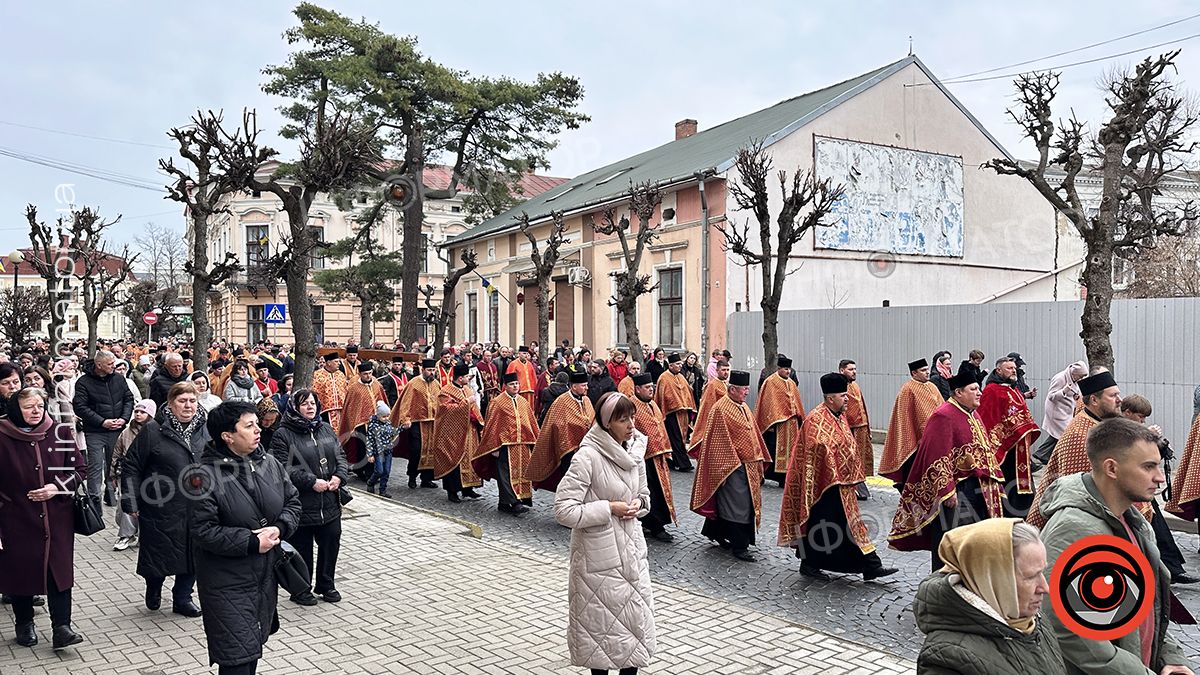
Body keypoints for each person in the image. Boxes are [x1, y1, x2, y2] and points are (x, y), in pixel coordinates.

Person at [1039, 418, 1193, 674]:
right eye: (1148, 467)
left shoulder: (1133, 522)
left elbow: (1146, 604)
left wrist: (1169, 656)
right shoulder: (1074, 528)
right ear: (1112, 468)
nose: (1159, 478)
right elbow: (1067, 627)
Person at [193, 401, 301, 675]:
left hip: (264, 578)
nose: (258, 431)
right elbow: (203, 531)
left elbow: (293, 502)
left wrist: (279, 528)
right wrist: (252, 542)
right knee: (236, 659)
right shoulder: (201, 476)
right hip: (226, 582)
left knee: (250, 651)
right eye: (249, 425)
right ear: (227, 436)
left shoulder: (270, 463)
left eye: (257, 423)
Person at [554, 392, 656, 675]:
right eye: (623, 419)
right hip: (598, 562)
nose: (631, 425)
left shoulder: (635, 452)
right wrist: (608, 508)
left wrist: (640, 505)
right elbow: (564, 510)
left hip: (633, 556)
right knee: (601, 643)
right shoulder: (588, 456)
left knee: (633, 641)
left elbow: (645, 495)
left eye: (632, 417)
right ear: (607, 422)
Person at [780, 373, 898, 580]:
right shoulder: (815, 419)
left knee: (853, 527)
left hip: (842, 485)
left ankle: (871, 565)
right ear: (830, 398)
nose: (847, 399)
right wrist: (832, 470)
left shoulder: (840, 417)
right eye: (843, 395)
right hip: (821, 487)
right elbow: (815, 449)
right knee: (822, 525)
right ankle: (810, 564)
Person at [913, 519, 1065, 674]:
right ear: (992, 579)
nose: (1045, 588)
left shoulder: (1035, 620)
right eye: (1030, 577)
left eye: (1041, 572)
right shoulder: (948, 662)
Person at [889, 373, 1005, 571]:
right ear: (958, 392)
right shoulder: (944, 415)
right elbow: (936, 456)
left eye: (979, 388)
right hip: (957, 491)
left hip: (977, 488)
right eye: (973, 389)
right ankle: (944, 583)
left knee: (973, 539)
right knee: (952, 539)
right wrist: (946, 491)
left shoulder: (972, 413)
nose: (979, 393)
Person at [0, 387, 86, 649]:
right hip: (16, 516)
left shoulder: (59, 431)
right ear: (17, 409)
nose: (36, 411)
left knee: (58, 571)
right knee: (21, 571)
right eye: (29, 407)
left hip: (57, 516)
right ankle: (24, 624)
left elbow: (80, 468)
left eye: (40, 405)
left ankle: (62, 627)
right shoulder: (2, 434)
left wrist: (56, 487)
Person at [122, 381, 210, 618]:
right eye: (182, 401)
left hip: (197, 504)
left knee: (193, 553)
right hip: (159, 503)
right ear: (171, 404)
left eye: (192, 400)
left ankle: (183, 598)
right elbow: (131, 466)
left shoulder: (205, 427)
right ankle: (154, 587)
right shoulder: (153, 430)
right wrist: (130, 501)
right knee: (158, 552)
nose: (188, 405)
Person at [271, 388, 350, 606]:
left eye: (313, 403)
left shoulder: (325, 428)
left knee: (330, 544)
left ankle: (326, 584)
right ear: (295, 407)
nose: (310, 407)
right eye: (304, 403)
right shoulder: (283, 434)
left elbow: (340, 456)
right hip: (302, 504)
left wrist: (339, 477)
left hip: (330, 502)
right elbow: (282, 467)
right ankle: (301, 589)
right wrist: (310, 481)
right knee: (302, 549)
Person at [690, 370, 772, 562]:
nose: (746, 392)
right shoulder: (721, 408)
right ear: (733, 389)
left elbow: (752, 433)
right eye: (744, 389)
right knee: (738, 506)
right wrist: (732, 465)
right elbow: (718, 441)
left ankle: (717, 532)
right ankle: (739, 546)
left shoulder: (743, 406)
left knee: (739, 504)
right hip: (732, 466)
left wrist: (759, 457)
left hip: (748, 465)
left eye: (747, 389)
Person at [1027, 370, 1121, 527]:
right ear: (1094, 400)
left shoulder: (1094, 423)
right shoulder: (1081, 434)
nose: (1120, 400)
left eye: (1118, 394)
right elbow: (1077, 491)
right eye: (1113, 396)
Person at [1120, 395, 1197, 584]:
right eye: (1140, 416)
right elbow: (1129, 455)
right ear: (1127, 412)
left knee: (1159, 530)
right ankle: (1167, 569)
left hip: (1139, 487)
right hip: (1128, 489)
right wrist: (1148, 439)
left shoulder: (1129, 428)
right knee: (1151, 530)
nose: (1143, 421)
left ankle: (1172, 568)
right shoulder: (1117, 429)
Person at [977, 357, 1040, 518]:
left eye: (1014, 368)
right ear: (999, 370)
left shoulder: (1014, 389)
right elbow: (987, 418)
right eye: (1009, 368)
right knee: (1007, 481)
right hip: (1004, 446)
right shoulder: (992, 391)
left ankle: (1024, 512)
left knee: (1022, 482)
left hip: (1019, 446)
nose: (1014, 371)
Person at [73, 349, 135, 506]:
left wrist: (124, 418)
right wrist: (102, 421)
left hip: (116, 429)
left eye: (114, 362)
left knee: (112, 464)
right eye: (110, 364)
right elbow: (80, 407)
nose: (114, 366)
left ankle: (110, 494)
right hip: (95, 431)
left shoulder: (119, 379)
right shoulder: (84, 382)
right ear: (99, 365)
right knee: (95, 466)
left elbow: (128, 399)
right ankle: (94, 501)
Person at [473, 372, 539, 515]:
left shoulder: (523, 401)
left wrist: (534, 440)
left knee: (521, 473)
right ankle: (514, 502)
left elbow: (530, 421)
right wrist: (493, 447)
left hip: (522, 444)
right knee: (506, 475)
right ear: (505, 386)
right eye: (512, 384)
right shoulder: (497, 402)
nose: (515, 386)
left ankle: (506, 502)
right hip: (504, 446)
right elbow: (491, 425)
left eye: (516, 384)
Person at [878, 358, 943, 487]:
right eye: (923, 370)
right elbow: (904, 417)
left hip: (934, 437)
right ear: (914, 373)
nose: (927, 372)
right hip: (916, 440)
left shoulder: (932, 386)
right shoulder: (907, 389)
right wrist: (914, 437)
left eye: (927, 369)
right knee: (913, 472)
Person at [629, 373, 676, 542]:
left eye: (652, 387)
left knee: (660, 490)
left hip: (658, 456)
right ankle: (655, 525)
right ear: (638, 389)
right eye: (648, 388)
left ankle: (655, 522)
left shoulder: (653, 405)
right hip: (642, 458)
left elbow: (659, 427)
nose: (651, 390)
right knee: (650, 491)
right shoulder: (631, 406)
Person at [531, 372, 595, 492]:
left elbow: (592, 417)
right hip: (568, 448)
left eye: (586, 385)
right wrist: (580, 425)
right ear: (574, 386)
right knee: (569, 478)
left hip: (586, 447)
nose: (586, 388)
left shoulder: (586, 400)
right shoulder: (562, 401)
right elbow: (557, 423)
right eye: (583, 385)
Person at [432, 363, 485, 503]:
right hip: (453, 433)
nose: (469, 378)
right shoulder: (446, 391)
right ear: (460, 378)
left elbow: (474, 409)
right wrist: (466, 402)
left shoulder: (467, 389)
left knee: (470, 459)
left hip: (469, 431)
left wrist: (480, 422)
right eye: (467, 376)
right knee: (454, 459)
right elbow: (446, 410)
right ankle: (452, 491)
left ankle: (468, 489)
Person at [110, 399, 156, 552]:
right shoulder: (126, 432)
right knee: (125, 506)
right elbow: (116, 454)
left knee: (147, 505)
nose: (138, 414)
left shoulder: (156, 431)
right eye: (136, 411)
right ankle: (126, 535)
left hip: (149, 474)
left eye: (143, 412)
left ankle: (144, 536)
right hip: (128, 473)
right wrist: (113, 476)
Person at [756, 356, 805, 486]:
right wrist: (774, 418)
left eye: (789, 369)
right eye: (785, 369)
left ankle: (786, 477)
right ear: (779, 368)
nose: (788, 372)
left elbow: (797, 402)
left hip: (792, 424)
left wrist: (799, 417)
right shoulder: (770, 382)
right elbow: (768, 403)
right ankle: (770, 475)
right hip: (777, 425)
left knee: (791, 451)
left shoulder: (792, 383)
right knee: (774, 450)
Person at [392, 358, 440, 489]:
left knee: (431, 451)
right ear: (423, 370)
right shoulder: (414, 383)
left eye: (433, 370)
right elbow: (406, 402)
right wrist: (405, 418)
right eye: (429, 370)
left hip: (432, 422)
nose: (432, 373)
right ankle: (412, 476)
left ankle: (427, 479)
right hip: (417, 422)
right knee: (417, 450)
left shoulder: (436, 384)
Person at [1033, 360, 1088, 467]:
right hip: (1057, 413)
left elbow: (1074, 392)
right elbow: (1051, 396)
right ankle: (1043, 456)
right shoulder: (1060, 378)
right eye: (1080, 376)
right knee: (1064, 435)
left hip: (1066, 412)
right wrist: (1064, 391)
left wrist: (1076, 397)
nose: (1081, 379)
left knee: (1058, 436)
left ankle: (1042, 456)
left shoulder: (1074, 380)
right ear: (1074, 373)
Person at [654, 353, 695, 471]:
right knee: (675, 439)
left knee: (680, 439)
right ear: (671, 365)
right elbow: (663, 396)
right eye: (677, 364)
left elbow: (687, 392)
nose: (680, 366)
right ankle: (684, 464)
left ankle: (671, 461)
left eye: (680, 364)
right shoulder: (664, 377)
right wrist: (675, 404)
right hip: (670, 413)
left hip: (683, 414)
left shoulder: (681, 377)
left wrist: (687, 406)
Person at [840, 359, 873, 501]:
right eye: (850, 369)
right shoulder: (840, 387)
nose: (854, 372)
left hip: (861, 428)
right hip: (851, 428)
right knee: (852, 457)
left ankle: (859, 483)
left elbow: (862, 406)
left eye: (855, 369)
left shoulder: (855, 385)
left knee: (860, 457)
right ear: (842, 370)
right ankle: (852, 485)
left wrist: (868, 427)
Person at [688, 359, 729, 454]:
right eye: (723, 370)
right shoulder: (712, 385)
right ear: (717, 370)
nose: (726, 372)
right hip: (716, 422)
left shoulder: (726, 384)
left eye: (727, 370)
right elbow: (707, 406)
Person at [364, 401, 402, 497]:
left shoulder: (388, 423)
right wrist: (370, 454)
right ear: (378, 415)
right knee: (379, 471)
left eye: (388, 416)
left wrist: (402, 428)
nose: (386, 418)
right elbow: (369, 440)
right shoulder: (372, 425)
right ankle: (371, 482)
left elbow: (393, 432)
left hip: (388, 451)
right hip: (378, 452)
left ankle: (382, 490)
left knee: (386, 471)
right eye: (384, 417)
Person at [312, 353, 348, 432]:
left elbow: (345, 390)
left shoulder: (341, 375)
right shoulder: (317, 375)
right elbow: (315, 392)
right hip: (325, 411)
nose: (339, 363)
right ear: (328, 362)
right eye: (336, 361)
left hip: (341, 410)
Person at [506, 345, 538, 411]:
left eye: (526, 353)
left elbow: (534, 377)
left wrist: (536, 389)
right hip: (519, 392)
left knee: (530, 410)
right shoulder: (513, 364)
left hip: (530, 392)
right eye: (524, 353)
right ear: (519, 354)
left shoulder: (530, 364)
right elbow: (509, 379)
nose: (526, 355)